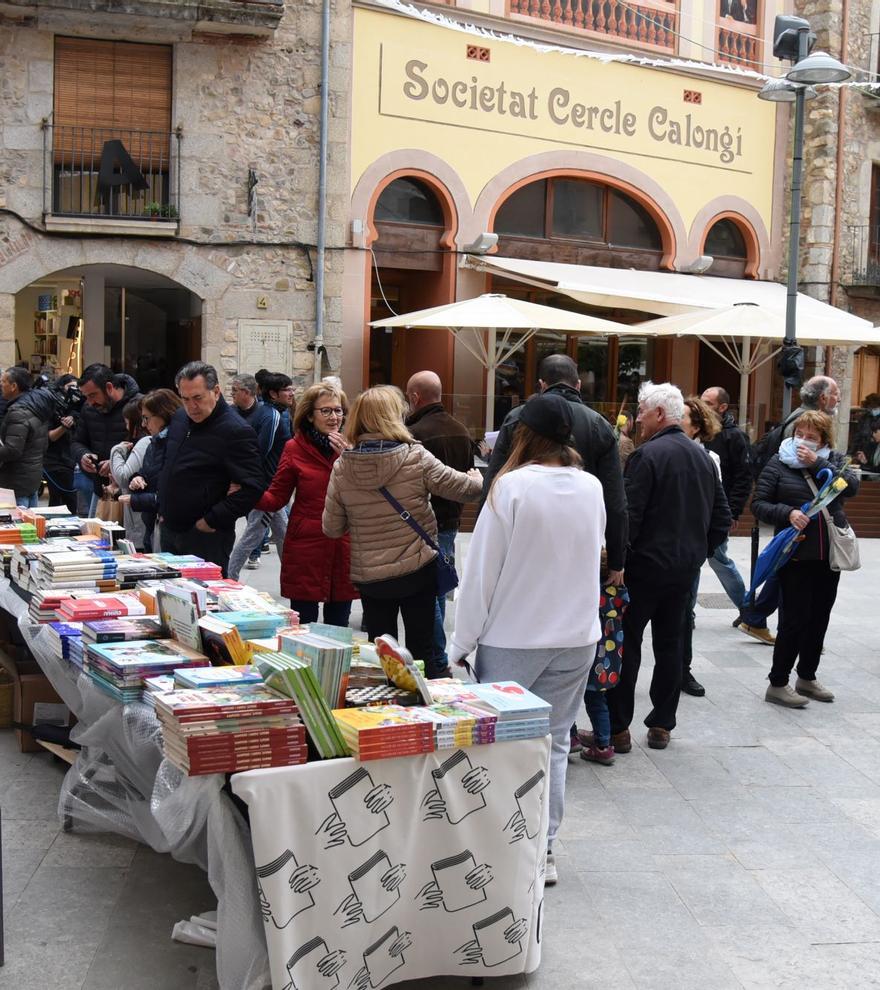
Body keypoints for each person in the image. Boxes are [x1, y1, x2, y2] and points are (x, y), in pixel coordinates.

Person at [449, 393, 605, 886]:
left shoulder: (509, 487)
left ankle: (504, 843)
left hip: (516, 635)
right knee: (556, 742)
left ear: (524, 435)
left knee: (503, 747)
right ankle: (545, 848)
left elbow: (480, 574)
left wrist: (461, 642)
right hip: (576, 634)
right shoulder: (592, 486)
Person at [605, 382, 730, 752]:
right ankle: (662, 724)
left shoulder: (648, 456)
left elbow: (632, 517)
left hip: (643, 569)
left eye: (642, 410)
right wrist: (697, 553)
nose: (638, 417)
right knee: (671, 645)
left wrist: (619, 562)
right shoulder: (702, 458)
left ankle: (618, 728)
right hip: (683, 570)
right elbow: (721, 519)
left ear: (660, 414)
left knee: (627, 644)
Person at [322, 385, 482, 675]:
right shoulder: (414, 457)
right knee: (421, 649)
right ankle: (422, 712)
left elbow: (332, 528)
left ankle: (388, 713)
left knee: (383, 654)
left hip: (371, 576)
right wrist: (476, 477)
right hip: (416, 571)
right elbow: (466, 490)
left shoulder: (343, 466)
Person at [484, 354, 627, 584]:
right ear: (578, 385)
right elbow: (616, 502)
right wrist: (617, 560)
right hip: (579, 543)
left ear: (541, 385)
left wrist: (488, 552)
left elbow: (491, 485)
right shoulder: (599, 425)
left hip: (522, 540)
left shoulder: (516, 418)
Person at [751, 411, 858, 707]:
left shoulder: (832, 460)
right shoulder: (778, 462)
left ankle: (807, 677)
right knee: (793, 620)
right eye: (801, 433)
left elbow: (852, 486)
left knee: (819, 618)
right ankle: (778, 682)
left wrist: (819, 463)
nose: (804, 441)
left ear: (824, 440)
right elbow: (759, 504)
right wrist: (788, 513)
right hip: (795, 554)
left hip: (829, 556)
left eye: (812, 436)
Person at [256, 383, 357, 625]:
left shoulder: (353, 447)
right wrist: (247, 492)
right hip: (306, 546)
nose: (334, 417)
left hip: (344, 545)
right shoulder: (295, 448)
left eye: (339, 410)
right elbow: (276, 498)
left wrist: (352, 459)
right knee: (303, 629)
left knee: (338, 629)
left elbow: (368, 494)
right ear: (310, 415)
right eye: (326, 411)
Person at [158, 362, 265, 576]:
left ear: (216, 391)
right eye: (185, 399)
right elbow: (168, 463)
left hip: (205, 536)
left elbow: (253, 487)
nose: (191, 406)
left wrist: (212, 519)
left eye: (198, 398)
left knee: (205, 603)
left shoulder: (236, 430)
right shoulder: (180, 418)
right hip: (170, 528)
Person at [405, 370, 474, 671]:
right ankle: (436, 652)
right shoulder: (461, 429)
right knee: (439, 586)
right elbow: (469, 476)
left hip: (422, 521)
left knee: (428, 591)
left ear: (414, 397)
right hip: (451, 518)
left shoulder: (415, 433)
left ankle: (436, 656)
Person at [226, 374, 291, 579]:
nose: (292, 393)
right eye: (287, 389)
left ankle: (291, 576)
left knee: (283, 534)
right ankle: (230, 576)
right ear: (274, 393)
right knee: (253, 535)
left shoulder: (269, 415)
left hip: (271, 486)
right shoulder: (270, 415)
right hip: (266, 487)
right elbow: (260, 453)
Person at [679, 396, 722, 698]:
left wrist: (703, 548)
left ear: (696, 426)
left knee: (684, 613)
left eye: (681, 417)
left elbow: (717, 508)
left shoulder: (710, 460)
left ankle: (683, 670)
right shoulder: (652, 451)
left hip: (689, 549)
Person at [701, 387, 753, 614]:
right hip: (698, 507)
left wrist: (732, 512)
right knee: (693, 562)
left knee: (718, 558)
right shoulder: (698, 431)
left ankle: (747, 608)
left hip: (719, 510)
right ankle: (687, 612)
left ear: (722, 407)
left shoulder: (735, 437)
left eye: (709, 403)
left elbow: (743, 478)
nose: (703, 406)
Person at [71, 364, 140, 516]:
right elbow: (77, 442)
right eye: (86, 396)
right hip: (100, 491)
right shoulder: (88, 408)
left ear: (109, 387)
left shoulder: (138, 406)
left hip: (131, 495)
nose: (89, 402)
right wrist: (83, 456)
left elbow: (147, 447)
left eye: (93, 395)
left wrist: (115, 462)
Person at [121, 388, 182, 552]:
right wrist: (137, 478)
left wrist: (135, 500)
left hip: (171, 528)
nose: (143, 424)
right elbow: (147, 473)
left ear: (163, 414)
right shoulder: (154, 443)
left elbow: (173, 495)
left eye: (146, 418)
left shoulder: (178, 444)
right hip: (152, 524)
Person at [0, 367, 52, 507]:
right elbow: (44, 445)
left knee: (18, 526)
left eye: (3, 381)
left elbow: (12, 450)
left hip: (16, 483)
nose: (0, 384)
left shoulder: (18, 412)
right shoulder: (37, 406)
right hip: (32, 478)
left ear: (14, 386)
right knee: (31, 526)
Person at [109, 398, 152, 549]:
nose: (127, 427)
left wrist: (117, 451)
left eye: (128, 422)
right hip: (141, 518)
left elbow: (124, 476)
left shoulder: (145, 442)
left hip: (139, 522)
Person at [42, 374, 80, 513]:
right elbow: (50, 436)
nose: (74, 390)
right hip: (54, 461)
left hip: (71, 461)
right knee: (59, 502)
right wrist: (64, 427)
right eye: (70, 387)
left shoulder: (77, 407)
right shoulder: (52, 406)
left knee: (70, 501)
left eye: (76, 387)